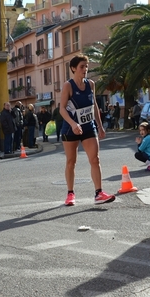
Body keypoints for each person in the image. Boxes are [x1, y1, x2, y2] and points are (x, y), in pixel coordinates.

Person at [59, 54, 115, 205]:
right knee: (71, 161)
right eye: (82, 67)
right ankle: (70, 194)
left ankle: (99, 193)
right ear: (73, 68)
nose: (85, 69)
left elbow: (94, 105)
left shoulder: (90, 84)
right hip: (71, 128)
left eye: (86, 66)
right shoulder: (68, 86)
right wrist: (72, 124)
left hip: (88, 126)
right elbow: (62, 109)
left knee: (95, 159)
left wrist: (100, 126)